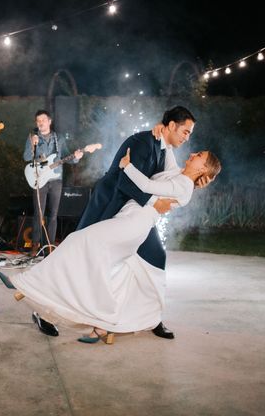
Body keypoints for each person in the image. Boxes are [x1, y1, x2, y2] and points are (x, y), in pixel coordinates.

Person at [0, 148, 221, 343]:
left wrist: (127, 166)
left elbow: (146, 185)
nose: (192, 154)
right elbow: (168, 157)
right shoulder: (178, 174)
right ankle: (104, 324)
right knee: (112, 272)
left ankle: (26, 281)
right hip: (128, 221)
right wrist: (163, 135)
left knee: (77, 241)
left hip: (132, 226)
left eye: (199, 155)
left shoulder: (184, 185)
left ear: (203, 169)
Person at [76, 106, 209, 338]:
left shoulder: (165, 148)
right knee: (79, 251)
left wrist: (196, 182)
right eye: (186, 131)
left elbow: (176, 179)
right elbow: (126, 181)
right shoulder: (141, 142)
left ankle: (152, 317)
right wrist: (154, 204)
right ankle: (48, 309)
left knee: (156, 257)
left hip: (135, 214)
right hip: (110, 203)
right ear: (171, 126)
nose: (188, 138)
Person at [23, 110, 83, 256]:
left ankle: (49, 246)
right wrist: (32, 146)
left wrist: (76, 157)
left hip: (56, 179)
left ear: (49, 121)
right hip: (39, 179)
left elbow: (67, 156)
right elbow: (26, 157)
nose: (40, 123)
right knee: (39, 213)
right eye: (38, 121)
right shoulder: (32, 137)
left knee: (53, 214)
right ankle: (35, 245)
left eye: (43, 120)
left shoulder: (59, 138)